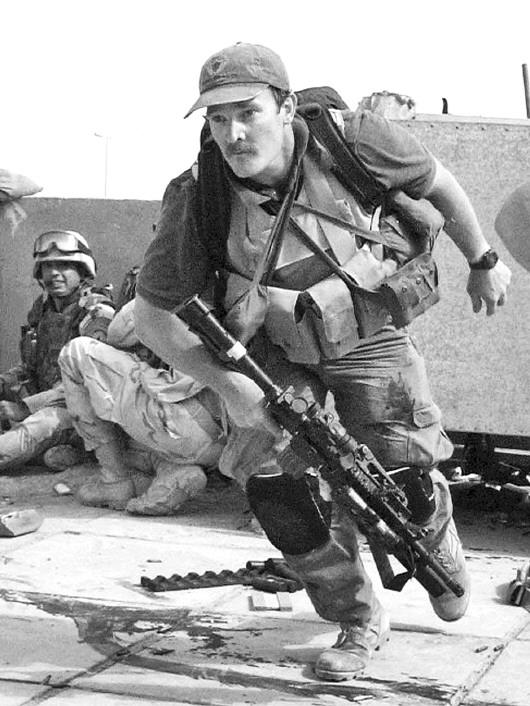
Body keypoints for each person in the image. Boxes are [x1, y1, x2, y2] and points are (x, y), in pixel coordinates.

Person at [133, 43, 512, 681]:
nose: (233, 133)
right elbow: (151, 316)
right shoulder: (200, 194)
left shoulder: (353, 140)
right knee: (279, 489)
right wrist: (229, 388)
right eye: (218, 119)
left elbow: (439, 184)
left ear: (285, 108)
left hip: (365, 330)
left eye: (248, 112)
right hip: (268, 353)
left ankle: (431, 530)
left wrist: (483, 260)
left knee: (406, 470)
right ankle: (357, 618)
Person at [58, 298, 227, 514]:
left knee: (75, 353)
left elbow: (119, 331)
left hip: (181, 419)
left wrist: (102, 328)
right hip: (216, 443)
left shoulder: (176, 286)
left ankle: (114, 481)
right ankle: (171, 470)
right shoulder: (234, 292)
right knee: (120, 417)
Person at [0, 229, 114, 472]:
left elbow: (90, 382)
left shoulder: (97, 312)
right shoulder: (43, 311)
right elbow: (31, 367)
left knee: (31, 432)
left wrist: (25, 408)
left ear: (82, 270)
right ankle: (58, 454)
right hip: (43, 405)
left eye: (63, 265)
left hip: (82, 413)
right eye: (47, 266)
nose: (53, 273)